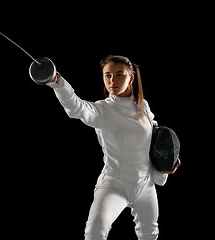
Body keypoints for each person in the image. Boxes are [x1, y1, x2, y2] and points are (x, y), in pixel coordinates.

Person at [47, 55, 180, 240]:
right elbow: (77, 108)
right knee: (95, 232)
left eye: (119, 75)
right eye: (107, 75)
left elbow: (155, 136)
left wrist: (167, 160)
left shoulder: (143, 106)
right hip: (114, 184)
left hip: (145, 185)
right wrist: (58, 83)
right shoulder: (103, 110)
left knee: (150, 234)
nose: (112, 80)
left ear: (131, 78)